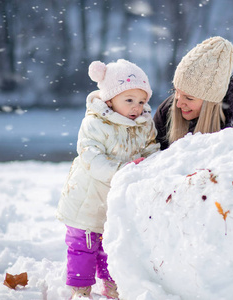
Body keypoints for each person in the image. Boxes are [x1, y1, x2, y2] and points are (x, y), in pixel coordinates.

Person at [56, 59, 159, 299]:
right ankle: (81, 287)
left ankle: (112, 283)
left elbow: (152, 149)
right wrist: (123, 169)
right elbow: (91, 157)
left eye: (141, 101)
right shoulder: (95, 123)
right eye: (129, 100)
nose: (136, 107)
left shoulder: (144, 125)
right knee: (84, 244)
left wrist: (150, 165)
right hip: (88, 199)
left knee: (113, 244)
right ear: (110, 99)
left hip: (118, 200)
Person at [153, 36, 233, 150]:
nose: (178, 103)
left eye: (189, 98)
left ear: (211, 101)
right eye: (176, 92)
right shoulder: (167, 111)